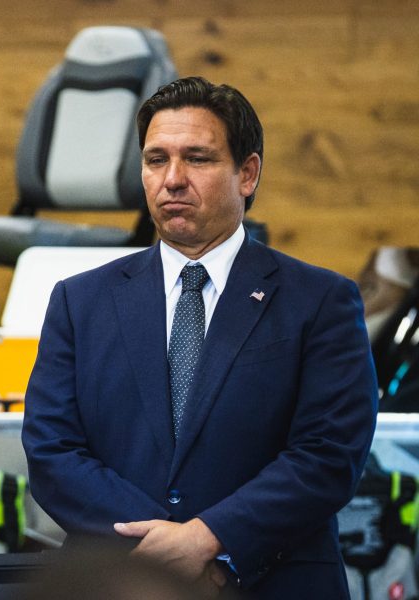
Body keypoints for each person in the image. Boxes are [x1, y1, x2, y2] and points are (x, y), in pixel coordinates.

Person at [21, 76, 378, 599]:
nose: (172, 179)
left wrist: (212, 540)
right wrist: (171, 552)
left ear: (248, 173)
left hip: (273, 582)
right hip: (117, 581)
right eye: (156, 159)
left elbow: (327, 455)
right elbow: (52, 452)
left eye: (198, 158)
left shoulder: (320, 300)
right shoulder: (80, 301)